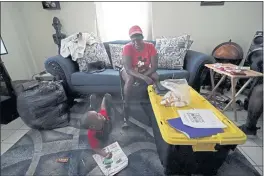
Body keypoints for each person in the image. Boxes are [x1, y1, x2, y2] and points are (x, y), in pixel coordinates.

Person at [121, 25, 159, 127]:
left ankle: (155, 103)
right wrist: (143, 77)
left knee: (156, 76)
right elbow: (128, 69)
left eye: (138, 40)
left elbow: (154, 66)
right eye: (133, 40)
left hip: (144, 70)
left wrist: (145, 75)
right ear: (130, 40)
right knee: (130, 80)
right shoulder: (127, 48)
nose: (136, 43)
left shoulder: (150, 46)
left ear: (142, 38)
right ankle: (126, 104)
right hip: (130, 71)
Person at [80, 93, 113, 158]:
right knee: (91, 114)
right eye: (97, 115)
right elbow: (95, 148)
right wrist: (104, 154)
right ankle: (92, 105)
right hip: (101, 130)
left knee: (104, 111)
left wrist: (104, 98)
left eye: (98, 114)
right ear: (93, 127)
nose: (99, 114)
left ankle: (92, 106)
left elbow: (103, 107)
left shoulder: (102, 116)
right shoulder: (91, 135)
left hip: (106, 124)